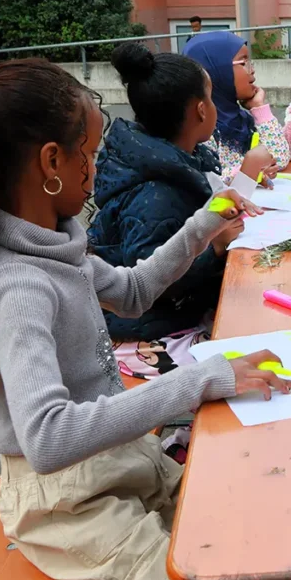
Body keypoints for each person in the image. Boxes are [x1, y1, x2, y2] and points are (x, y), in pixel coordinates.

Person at [0, 58, 291, 580]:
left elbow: (133, 292)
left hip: (115, 460)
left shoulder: (60, 248)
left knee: (236, 521)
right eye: (86, 153)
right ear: (51, 164)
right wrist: (199, 380)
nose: (94, 167)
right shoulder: (19, 287)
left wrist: (205, 222)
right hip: (61, 502)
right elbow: (48, 437)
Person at [89, 44, 239, 399]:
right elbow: (149, 283)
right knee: (243, 348)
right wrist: (215, 248)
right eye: (212, 98)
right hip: (142, 332)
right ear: (201, 110)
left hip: (166, 315)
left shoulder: (182, 161)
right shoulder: (156, 191)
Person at [183, 30, 289, 185]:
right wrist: (249, 169)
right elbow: (203, 178)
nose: (252, 70)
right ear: (217, 70)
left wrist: (260, 108)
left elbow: (278, 158)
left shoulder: (241, 119)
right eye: (243, 63)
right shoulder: (200, 125)